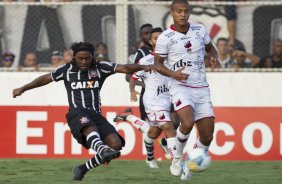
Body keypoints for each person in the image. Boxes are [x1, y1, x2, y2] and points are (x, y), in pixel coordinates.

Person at [12, 42, 155, 181]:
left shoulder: (100, 67)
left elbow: (124, 68)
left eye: (87, 58)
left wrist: (145, 66)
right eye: (80, 58)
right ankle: (101, 149)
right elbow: (45, 78)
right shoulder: (66, 70)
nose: (84, 61)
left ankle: (82, 169)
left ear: (92, 57)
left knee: (116, 145)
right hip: (76, 113)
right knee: (86, 119)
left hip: (96, 116)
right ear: (74, 57)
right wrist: (23, 88)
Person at [154, 0, 220, 180]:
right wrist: (173, 74)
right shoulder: (165, 37)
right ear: (172, 13)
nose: (182, 15)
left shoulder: (199, 30)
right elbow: (157, 64)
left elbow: (210, 49)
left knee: (207, 136)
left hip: (202, 88)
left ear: (189, 12)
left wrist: (214, 57)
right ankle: (176, 156)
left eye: (186, 11)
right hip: (180, 86)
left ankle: (189, 166)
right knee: (188, 122)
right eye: (178, 11)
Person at [115, 28, 178, 169]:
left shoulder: (173, 57)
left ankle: (130, 118)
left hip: (169, 98)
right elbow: (132, 76)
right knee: (168, 126)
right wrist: (132, 90)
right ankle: (177, 163)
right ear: (151, 42)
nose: (159, 40)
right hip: (153, 101)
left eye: (162, 37)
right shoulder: (145, 60)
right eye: (156, 38)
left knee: (153, 132)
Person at [126, 23, 153, 122]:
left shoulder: (163, 51)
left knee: (173, 123)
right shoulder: (139, 54)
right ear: (141, 37)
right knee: (150, 128)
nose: (150, 35)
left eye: (151, 32)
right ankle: (130, 117)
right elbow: (128, 77)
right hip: (148, 95)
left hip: (165, 93)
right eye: (146, 33)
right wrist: (146, 85)